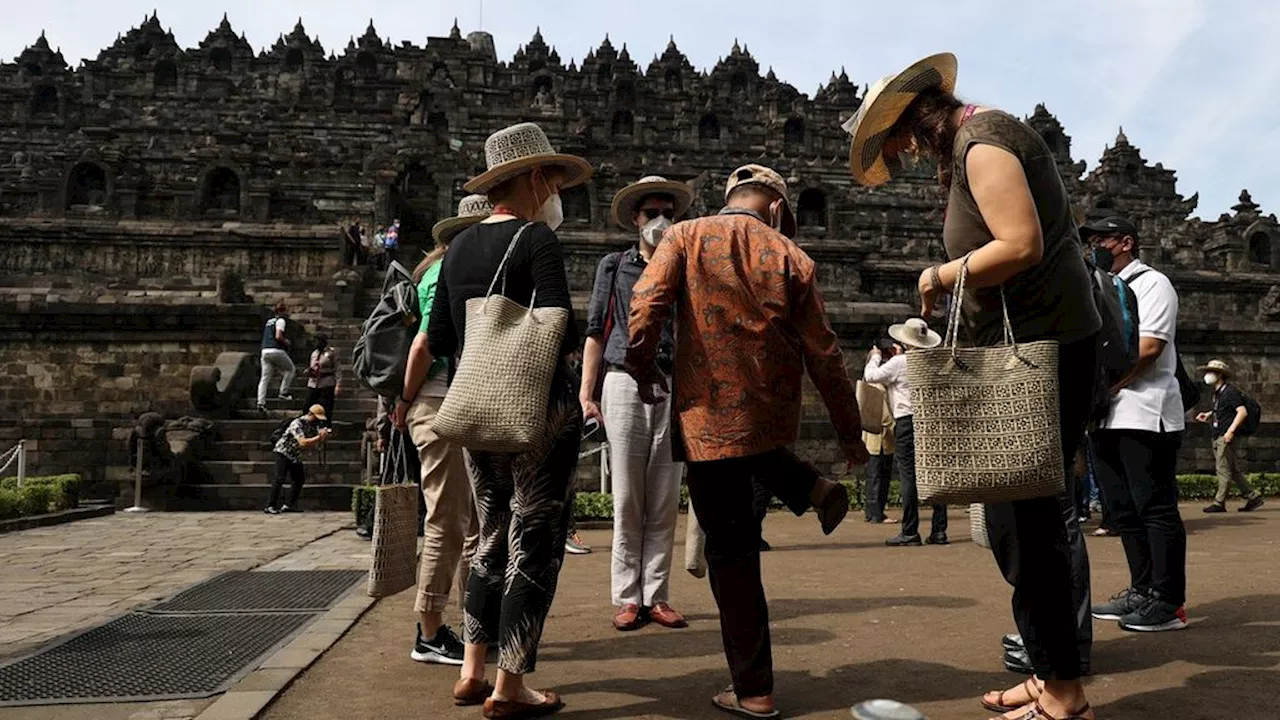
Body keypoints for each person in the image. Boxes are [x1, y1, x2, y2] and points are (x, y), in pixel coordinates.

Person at [844, 53, 1099, 719]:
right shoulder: (972, 145)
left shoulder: (984, 143)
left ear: (913, 119)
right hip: (1031, 348)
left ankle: (1066, 693)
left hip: (1042, 352)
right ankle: (1050, 673)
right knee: (1018, 522)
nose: (898, 153)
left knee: (1030, 522)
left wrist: (938, 276)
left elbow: (1020, 245)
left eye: (893, 139)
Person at [627, 163, 867, 719]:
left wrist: (642, 368)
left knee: (730, 554)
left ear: (729, 198)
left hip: (707, 412)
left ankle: (754, 689)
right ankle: (813, 485)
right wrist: (850, 434)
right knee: (750, 494)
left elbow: (644, 308)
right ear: (778, 208)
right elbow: (826, 354)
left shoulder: (684, 236)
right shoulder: (793, 256)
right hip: (769, 411)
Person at [428, 122, 590, 718]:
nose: (556, 190)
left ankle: (471, 669)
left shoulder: (459, 248)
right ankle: (510, 682)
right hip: (538, 411)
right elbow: (559, 326)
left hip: (476, 406)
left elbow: (442, 335)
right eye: (551, 178)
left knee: (489, 535)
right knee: (536, 541)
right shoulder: (536, 240)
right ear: (534, 178)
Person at [581, 175, 693, 633]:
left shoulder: (685, 268)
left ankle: (657, 594)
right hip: (623, 379)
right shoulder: (613, 267)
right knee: (628, 495)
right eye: (652, 213)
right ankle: (628, 597)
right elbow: (595, 330)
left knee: (665, 497)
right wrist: (587, 394)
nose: (661, 221)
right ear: (635, 218)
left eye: (669, 212)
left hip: (671, 382)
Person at [393, 195, 491, 666]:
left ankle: (475, 624)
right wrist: (406, 401)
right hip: (435, 402)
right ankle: (429, 630)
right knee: (447, 520)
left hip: (457, 400)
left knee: (472, 523)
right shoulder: (442, 274)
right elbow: (425, 344)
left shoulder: (457, 271)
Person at [1080, 214, 1190, 635]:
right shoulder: (1099, 289)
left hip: (1146, 410)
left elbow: (1149, 347)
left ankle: (1168, 600)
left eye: (1101, 239)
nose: (1094, 247)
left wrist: (1105, 387)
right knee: (1122, 509)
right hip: (1108, 414)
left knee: (1155, 507)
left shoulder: (1152, 283)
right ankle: (1142, 589)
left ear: (1126, 242)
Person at [864, 322, 948, 546]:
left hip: (907, 421)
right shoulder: (932, 360)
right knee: (935, 471)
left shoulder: (900, 362)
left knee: (908, 475)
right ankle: (939, 530)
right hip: (931, 421)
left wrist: (874, 356)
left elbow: (871, 376)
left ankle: (910, 530)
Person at [1197, 359, 1265, 513]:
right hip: (1219, 434)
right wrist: (1208, 414)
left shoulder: (1230, 392)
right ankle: (1253, 497)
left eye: (1211, 372)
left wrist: (1230, 431)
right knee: (1232, 470)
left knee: (1223, 470)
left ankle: (1219, 502)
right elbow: (1223, 411)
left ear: (1220, 375)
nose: (1208, 375)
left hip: (1224, 436)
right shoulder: (1219, 393)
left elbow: (1242, 412)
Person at [265, 404, 329, 514]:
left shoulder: (313, 426)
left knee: (299, 479)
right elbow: (302, 442)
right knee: (279, 478)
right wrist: (318, 437)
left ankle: (289, 505)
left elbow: (315, 445)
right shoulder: (297, 424)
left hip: (295, 454)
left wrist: (322, 437)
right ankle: (270, 505)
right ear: (310, 415)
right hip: (283, 451)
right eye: (316, 418)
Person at [862, 344, 897, 526]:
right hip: (881, 437)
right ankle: (877, 513)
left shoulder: (871, 382)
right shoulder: (878, 384)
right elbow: (885, 416)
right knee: (879, 476)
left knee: (874, 476)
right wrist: (895, 427)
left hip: (874, 437)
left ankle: (872, 511)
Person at [258, 301, 296, 414]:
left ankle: (261, 402)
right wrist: (286, 342)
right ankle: (283, 393)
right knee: (290, 369)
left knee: (265, 378)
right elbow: (278, 335)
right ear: (283, 311)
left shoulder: (269, 321)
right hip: (276, 350)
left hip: (264, 350)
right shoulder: (281, 321)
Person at [305, 333, 340, 428]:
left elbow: (337, 369)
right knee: (308, 404)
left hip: (326, 382)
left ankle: (325, 426)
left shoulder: (331, 353)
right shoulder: (314, 353)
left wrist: (338, 384)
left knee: (326, 405)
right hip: (313, 382)